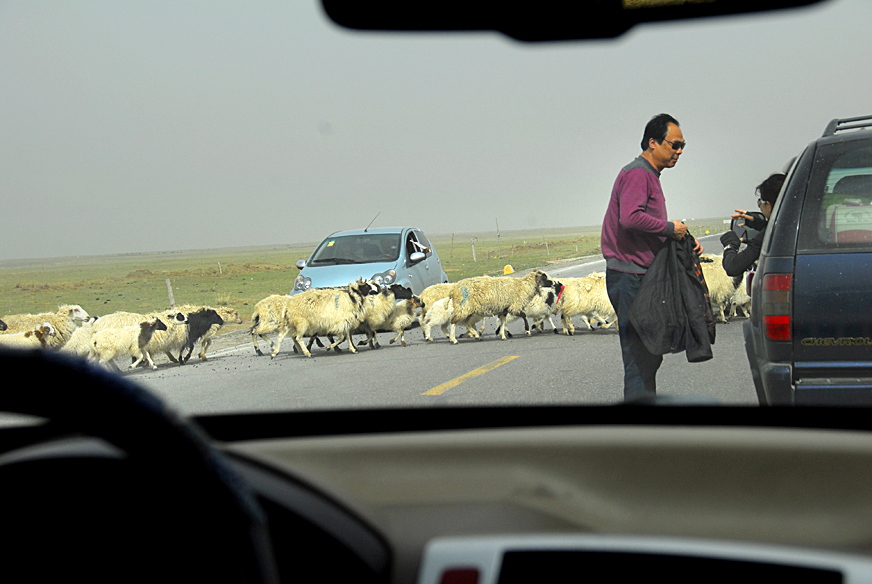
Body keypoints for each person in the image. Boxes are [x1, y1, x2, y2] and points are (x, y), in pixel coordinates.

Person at [601, 113, 702, 401]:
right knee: (640, 357)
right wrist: (670, 229)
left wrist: (682, 238)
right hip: (629, 277)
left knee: (649, 355)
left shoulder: (649, 175)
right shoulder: (638, 173)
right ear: (653, 142)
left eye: (683, 146)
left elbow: (645, 225)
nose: (679, 151)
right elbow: (631, 218)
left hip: (638, 275)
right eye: (675, 145)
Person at [719, 172, 787, 277]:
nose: (760, 206)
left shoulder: (771, 232)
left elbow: (732, 267)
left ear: (769, 206)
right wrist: (755, 222)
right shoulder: (800, 223)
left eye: (760, 202)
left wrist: (730, 244)